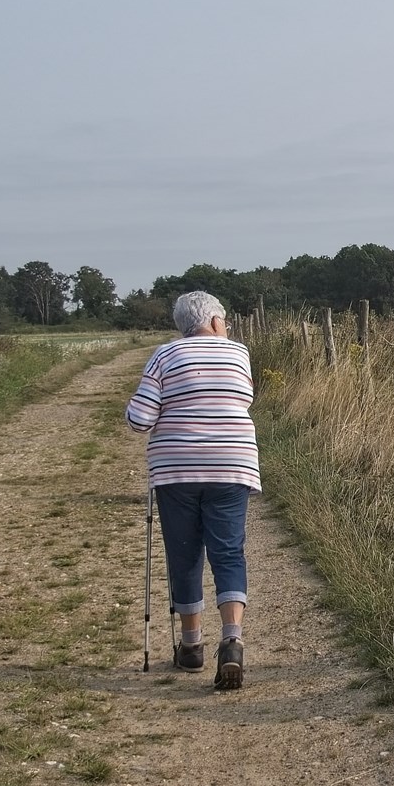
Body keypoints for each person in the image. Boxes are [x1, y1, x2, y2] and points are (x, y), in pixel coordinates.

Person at [124, 290, 260, 690]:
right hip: (232, 464)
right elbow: (245, 397)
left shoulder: (164, 356)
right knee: (228, 550)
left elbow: (140, 419)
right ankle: (232, 638)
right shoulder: (238, 353)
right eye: (226, 322)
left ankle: (191, 646)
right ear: (215, 322)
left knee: (184, 553)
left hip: (177, 468)